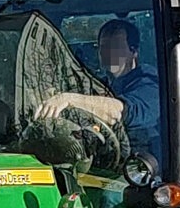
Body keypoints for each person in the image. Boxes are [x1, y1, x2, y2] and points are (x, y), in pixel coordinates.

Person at [35, 18, 160, 159]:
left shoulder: (150, 83)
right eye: (103, 46)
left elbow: (120, 111)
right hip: (101, 163)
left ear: (134, 51)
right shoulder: (98, 85)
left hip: (143, 166)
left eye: (115, 46)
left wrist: (68, 99)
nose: (108, 52)